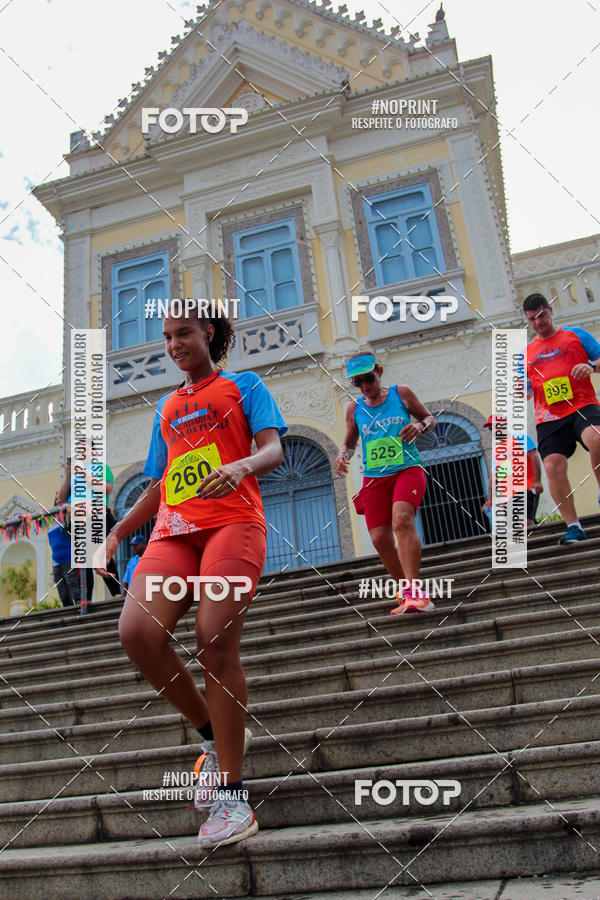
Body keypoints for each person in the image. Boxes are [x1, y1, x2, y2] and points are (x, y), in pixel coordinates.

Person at [94, 301, 286, 849]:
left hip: (233, 523)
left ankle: (233, 797)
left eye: (184, 334)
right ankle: (212, 734)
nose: (175, 344)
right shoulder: (168, 406)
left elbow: (273, 449)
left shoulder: (245, 385)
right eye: (167, 338)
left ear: (209, 333)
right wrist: (115, 534)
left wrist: (241, 465)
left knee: (213, 639)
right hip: (174, 530)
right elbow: (159, 483)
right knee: (137, 633)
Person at [334, 352, 436, 614]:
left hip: (407, 468)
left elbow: (428, 418)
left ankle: (414, 591)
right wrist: (342, 455)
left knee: (401, 520)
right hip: (375, 477)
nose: (365, 385)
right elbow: (349, 441)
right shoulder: (354, 408)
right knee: (379, 537)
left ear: (379, 371)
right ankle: (408, 592)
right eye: (357, 381)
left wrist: (419, 428)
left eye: (368, 378)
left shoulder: (401, 393)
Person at [523, 293, 600, 543]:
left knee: (596, 438)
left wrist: (591, 366)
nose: (538, 322)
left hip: (581, 405)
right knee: (552, 466)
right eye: (532, 319)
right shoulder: (526, 353)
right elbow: (522, 387)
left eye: (541, 316)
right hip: (549, 418)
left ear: (551, 311)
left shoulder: (575, 335)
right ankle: (573, 526)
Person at [58, 452, 121, 598]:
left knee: (102, 555)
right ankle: (85, 600)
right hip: (76, 519)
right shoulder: (73, 476)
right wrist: (68, 474)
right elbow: (61, 499)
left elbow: (106, 489)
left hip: (97, 515)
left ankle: (116, 593)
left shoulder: (101, 468)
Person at [482, 416, 544, 527]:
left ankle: (537, 541)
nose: (492, 431)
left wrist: (537, 481)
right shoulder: (496, 451)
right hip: (509, 494)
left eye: (495, 426)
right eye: (490, 429)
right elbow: (495, 477)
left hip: (527, 487)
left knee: (524, 520)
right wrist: (490, 499)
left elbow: (534, 457)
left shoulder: (520, 438)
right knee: (519, 524)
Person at [48, 494, 79, 607]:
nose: (58, 501)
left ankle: (79, 610)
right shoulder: (52, 521)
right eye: (56, 499)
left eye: (60, 499)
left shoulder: (68, 517)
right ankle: (68, 612)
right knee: (62, 592)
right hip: (56, 562)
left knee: (73, 586)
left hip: (68, 559)